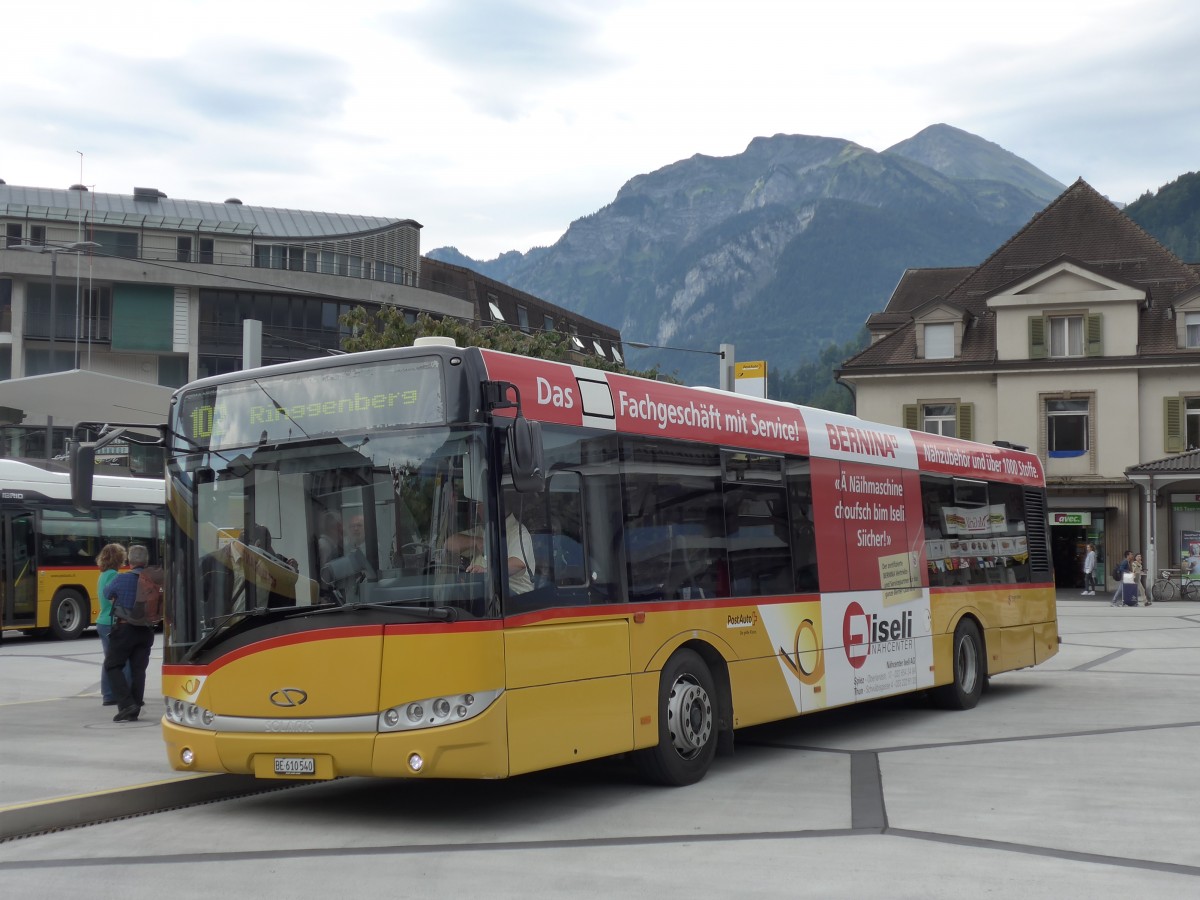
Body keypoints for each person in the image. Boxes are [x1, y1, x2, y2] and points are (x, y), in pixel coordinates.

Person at [103, 544, 161, 722]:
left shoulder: (122, 579)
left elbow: (107, 593)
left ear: (129, 561)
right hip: (146, 630)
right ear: (146, 561)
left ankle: (127, 704)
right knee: (138, 669)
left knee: (112, 666)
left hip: (125, 628)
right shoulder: (154, 579)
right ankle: (134, 706)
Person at [444, 503, 535, 594]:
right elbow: (449, 544)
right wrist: (476, 541)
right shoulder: (483, 530)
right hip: (484, 591)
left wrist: (486, 571)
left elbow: (518, 564)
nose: (477, 510)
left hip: (512, 596)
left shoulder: (518, 531)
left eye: (478, 505)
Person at [94, 543, 129, 706]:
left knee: (109, 658)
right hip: (111, 621)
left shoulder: (103, 574)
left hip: (103, 620)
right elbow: (115, 597)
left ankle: (108, 694)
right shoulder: (113, 575)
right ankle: (116, 693)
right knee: (122, 659)